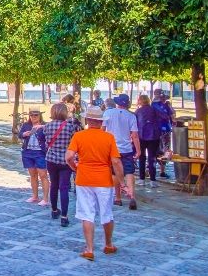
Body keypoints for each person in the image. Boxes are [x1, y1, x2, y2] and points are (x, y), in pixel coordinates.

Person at [66, 106, 125, 261]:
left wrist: (75, 167)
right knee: (106, 213)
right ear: (100, 122)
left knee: (87, 214)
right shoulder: (109, 138)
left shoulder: (79, 136)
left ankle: (90, 249)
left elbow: (69, 157)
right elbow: (116, 161)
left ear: (87, 120)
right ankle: (108, 244)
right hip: (104, 180)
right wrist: (122, 181)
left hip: (84, 179)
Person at [43, 103, 82, 227]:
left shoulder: (47, 126)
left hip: (51, 159)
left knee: (53, 185)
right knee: (64, 187)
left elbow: (45, 140)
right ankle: (64, 216)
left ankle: (54, 210)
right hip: (65, 160)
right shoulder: (70, 127)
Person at [102, 93, 140, 209]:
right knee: (129, 172)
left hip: (112, 147)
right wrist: (138, 150)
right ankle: (132, 196)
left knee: (115, 173)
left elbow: (103, 130)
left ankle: (118, 197)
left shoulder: (108, 113)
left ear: (117, 103)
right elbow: (134, 135)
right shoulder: (131, 116)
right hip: (127, 148)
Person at [19, 107, 49, 207]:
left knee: (43, 175)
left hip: (40, 153)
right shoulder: (26, 125)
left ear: (40, 115)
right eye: (31, 115)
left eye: (36, 115)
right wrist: (24, 134)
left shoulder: (45, 125)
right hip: (28, 152)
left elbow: (49, 136)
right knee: (33, 175)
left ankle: (45, 199)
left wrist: (42, 128)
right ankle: (35, 196)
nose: (33, 117)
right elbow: (20, 134)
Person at [135, 94, 162, 187]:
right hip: (154, 136)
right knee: (152, 158)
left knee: (142, 158)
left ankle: (142, 179)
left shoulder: (138, 111)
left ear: (140, 101)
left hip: (141, 136)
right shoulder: (154, 109)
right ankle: (152, 180)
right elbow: (162, 117)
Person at [152, 89, 175, 178]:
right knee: (162, 150)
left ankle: (157, 170)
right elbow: (171, 115)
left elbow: (172, 115)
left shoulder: (155, 105)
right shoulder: (159, 105)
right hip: (162, 130)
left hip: (159, 130)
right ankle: (160, 170)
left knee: (159, 150)